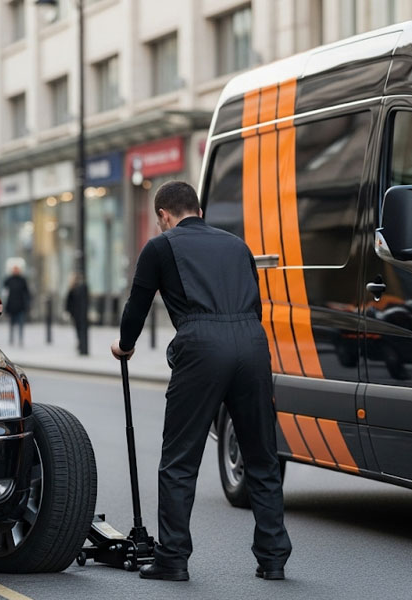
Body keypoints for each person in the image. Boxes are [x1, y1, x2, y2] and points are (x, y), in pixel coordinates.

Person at [111, 180, 291, 582]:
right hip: (251, 342)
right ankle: (274, 558)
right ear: (200, 211)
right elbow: (254, 304)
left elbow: (137, 305)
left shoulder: (160, 247)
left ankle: (172, 558)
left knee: (179, 460)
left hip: (202, 346)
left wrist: (124, 346)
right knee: (261, 457)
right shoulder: (237, 246)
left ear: (163, 215)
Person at [3, 264, 31, 347]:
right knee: (11, 324)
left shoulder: (22, 280)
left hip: (20, 305)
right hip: (11, 305)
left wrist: (27, 304)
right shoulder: (9, 280)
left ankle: (20, 339)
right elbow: (5, 291)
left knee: (21, 323)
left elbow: (26, 293)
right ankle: (11, 339)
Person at [64, 272, 89, 354]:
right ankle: (81, 346)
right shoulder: (72, 289)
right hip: (75, 314)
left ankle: (82, 347)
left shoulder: (81, 288)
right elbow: (68, 302)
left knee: (80, 330)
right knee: (78, 330)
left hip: (79, 314)